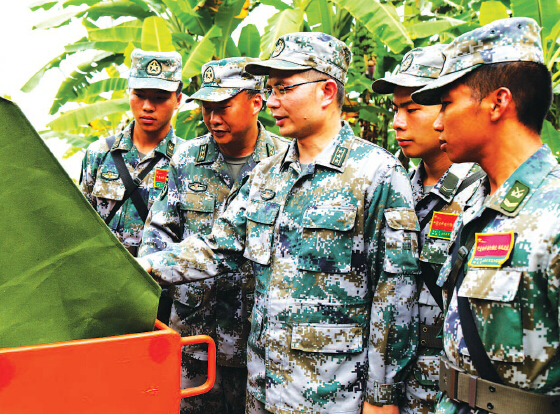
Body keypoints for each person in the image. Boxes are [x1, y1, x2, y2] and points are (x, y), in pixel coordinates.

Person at [139, 32, 420, 414]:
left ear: (325, 91)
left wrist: (381, 398)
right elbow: (216, 247)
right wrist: (139, 268)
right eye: (271, 89)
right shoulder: (269, 174)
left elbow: (394, 294)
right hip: (263, 392)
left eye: (284, 88)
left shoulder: (376, 175)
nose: (271, 101)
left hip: (334, 397)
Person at [411, 17, 560, 414]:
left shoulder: (553, 213)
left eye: (446, 103)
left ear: (498, 102)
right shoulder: (477, 204)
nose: (438, 121)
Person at [139, 57, 288, 414]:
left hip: (257, 337)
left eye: (223, 107)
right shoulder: (187, 158)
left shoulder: (284, 162)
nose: (212, 119)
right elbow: (159, 230)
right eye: (206, 108)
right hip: (194, 334)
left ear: (256, 103)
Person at [372, 46, 484, 414]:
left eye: (412, 109)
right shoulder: (399, 188)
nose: (398, 123)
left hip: (450, 394)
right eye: (395, 110)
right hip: (392, 388)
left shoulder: (481, 195)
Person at [80, 49, 183, 321]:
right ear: (128, 93)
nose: (148, 106)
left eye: (160, 98)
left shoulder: (186, 161)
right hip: (100, 294)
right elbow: (81, 225)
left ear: (178, 100)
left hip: (157, 302)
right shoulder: (99, 154)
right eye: (139, 96)